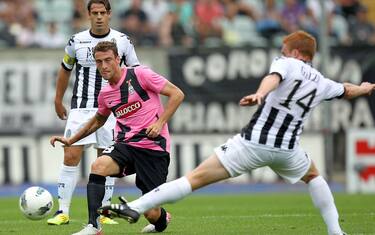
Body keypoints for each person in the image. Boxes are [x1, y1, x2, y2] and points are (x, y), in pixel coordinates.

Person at [99, 31, 375, 235]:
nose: (282, 52)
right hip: (288, 149)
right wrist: (365, 88)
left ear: (295, 52)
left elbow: (274, 77)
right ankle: (336, 232)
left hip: (253, 143)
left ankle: (134, 206)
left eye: (284, 48)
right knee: (314, 176)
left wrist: (260, 93)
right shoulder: (324, 83)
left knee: (193, 179)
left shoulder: (288, 63)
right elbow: (346, 90)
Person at [50, 41, 184, 235]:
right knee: (98, 166)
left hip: (153, 147)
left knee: (151, 213)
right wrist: (71, 140)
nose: (103, 66)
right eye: (99, 62)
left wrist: (160, 123)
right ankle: (94, 226)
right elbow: (98, 121)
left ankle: (162, 219)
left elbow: (177, 94)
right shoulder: (105, 94)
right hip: (126, 144)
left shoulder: (140, 75)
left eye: (108, 60)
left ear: (118, 60)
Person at [48, 0, 140, 227]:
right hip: (81, 107)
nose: (99, 16)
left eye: (102, 12)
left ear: (109, 14)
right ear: (87, 15)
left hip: (112, 109)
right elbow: (65, 69)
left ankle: (104, 213)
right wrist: (58, 99)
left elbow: (136, 73)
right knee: (70, 155)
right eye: (94, 13)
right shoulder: (76, 41)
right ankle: (63, 211)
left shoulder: (123, 41)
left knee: (106, 159)